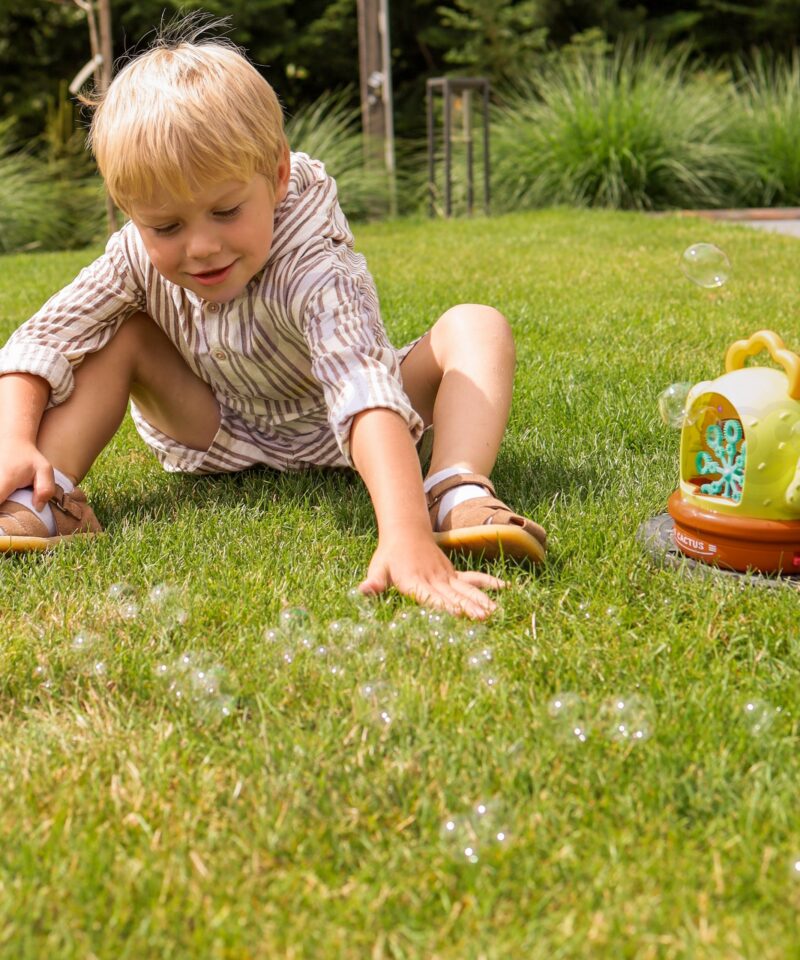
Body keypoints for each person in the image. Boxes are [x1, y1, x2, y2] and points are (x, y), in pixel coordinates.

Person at [0, 20, 546, 620]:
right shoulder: (133, 255)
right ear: (130, 211)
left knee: (477, 324)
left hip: (338, 423)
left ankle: (454, 488)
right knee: (119, 333)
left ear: (278, 176)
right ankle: (46, 496)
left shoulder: (314, 262)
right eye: (167, 226)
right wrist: (11, 440)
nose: (201, 246)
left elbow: (362, 384)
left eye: (225, 211)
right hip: (215, 426)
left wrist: (405, 533)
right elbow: (46, 336)